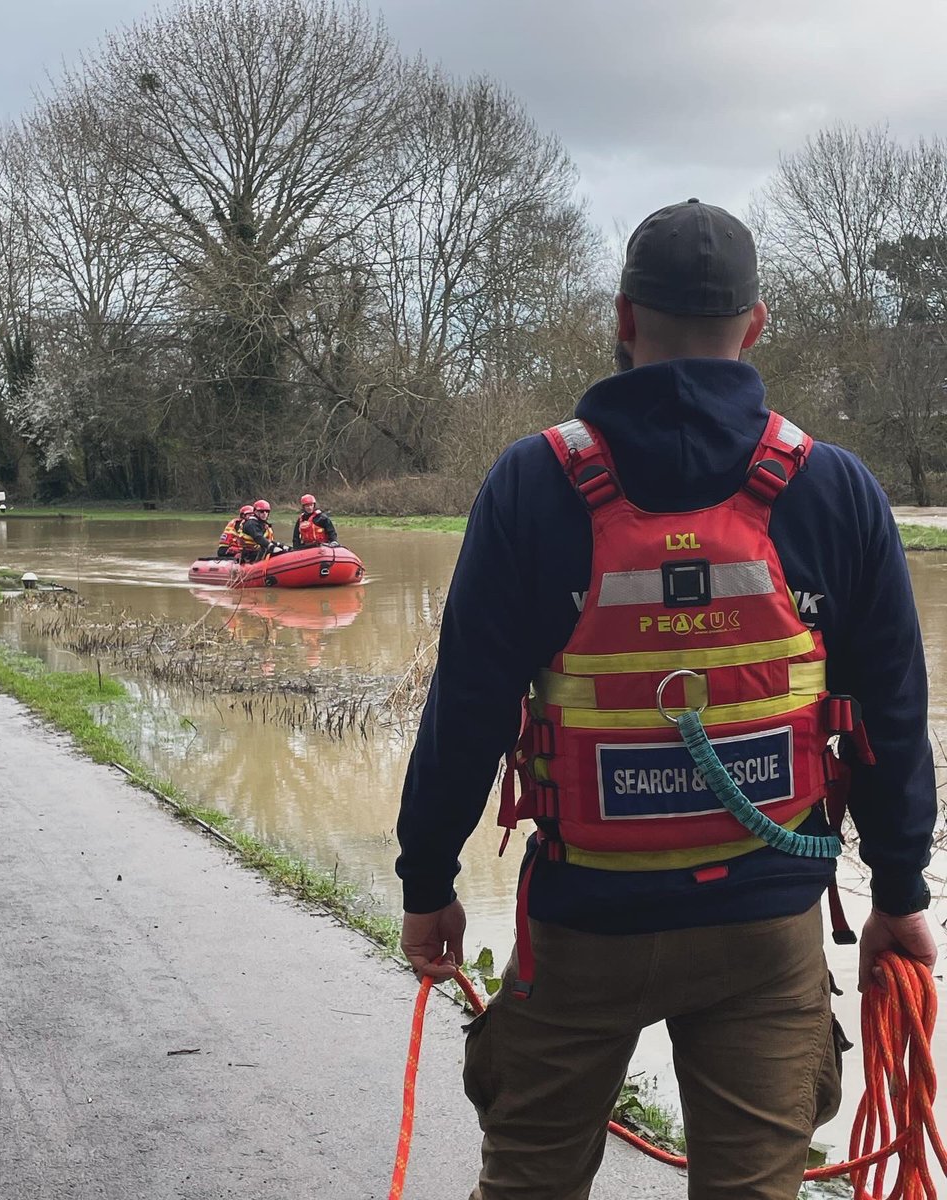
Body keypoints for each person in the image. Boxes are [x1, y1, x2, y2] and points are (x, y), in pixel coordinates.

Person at [395, 200, 937, 1200]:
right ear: (757, 324)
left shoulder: (531, 483)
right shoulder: (836, 489)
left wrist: (425, 876)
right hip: (767, 930)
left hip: (583, 926)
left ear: (624, 318)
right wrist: (900, 895)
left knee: (528, 1184)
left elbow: (467, 707)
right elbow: (895, 717)